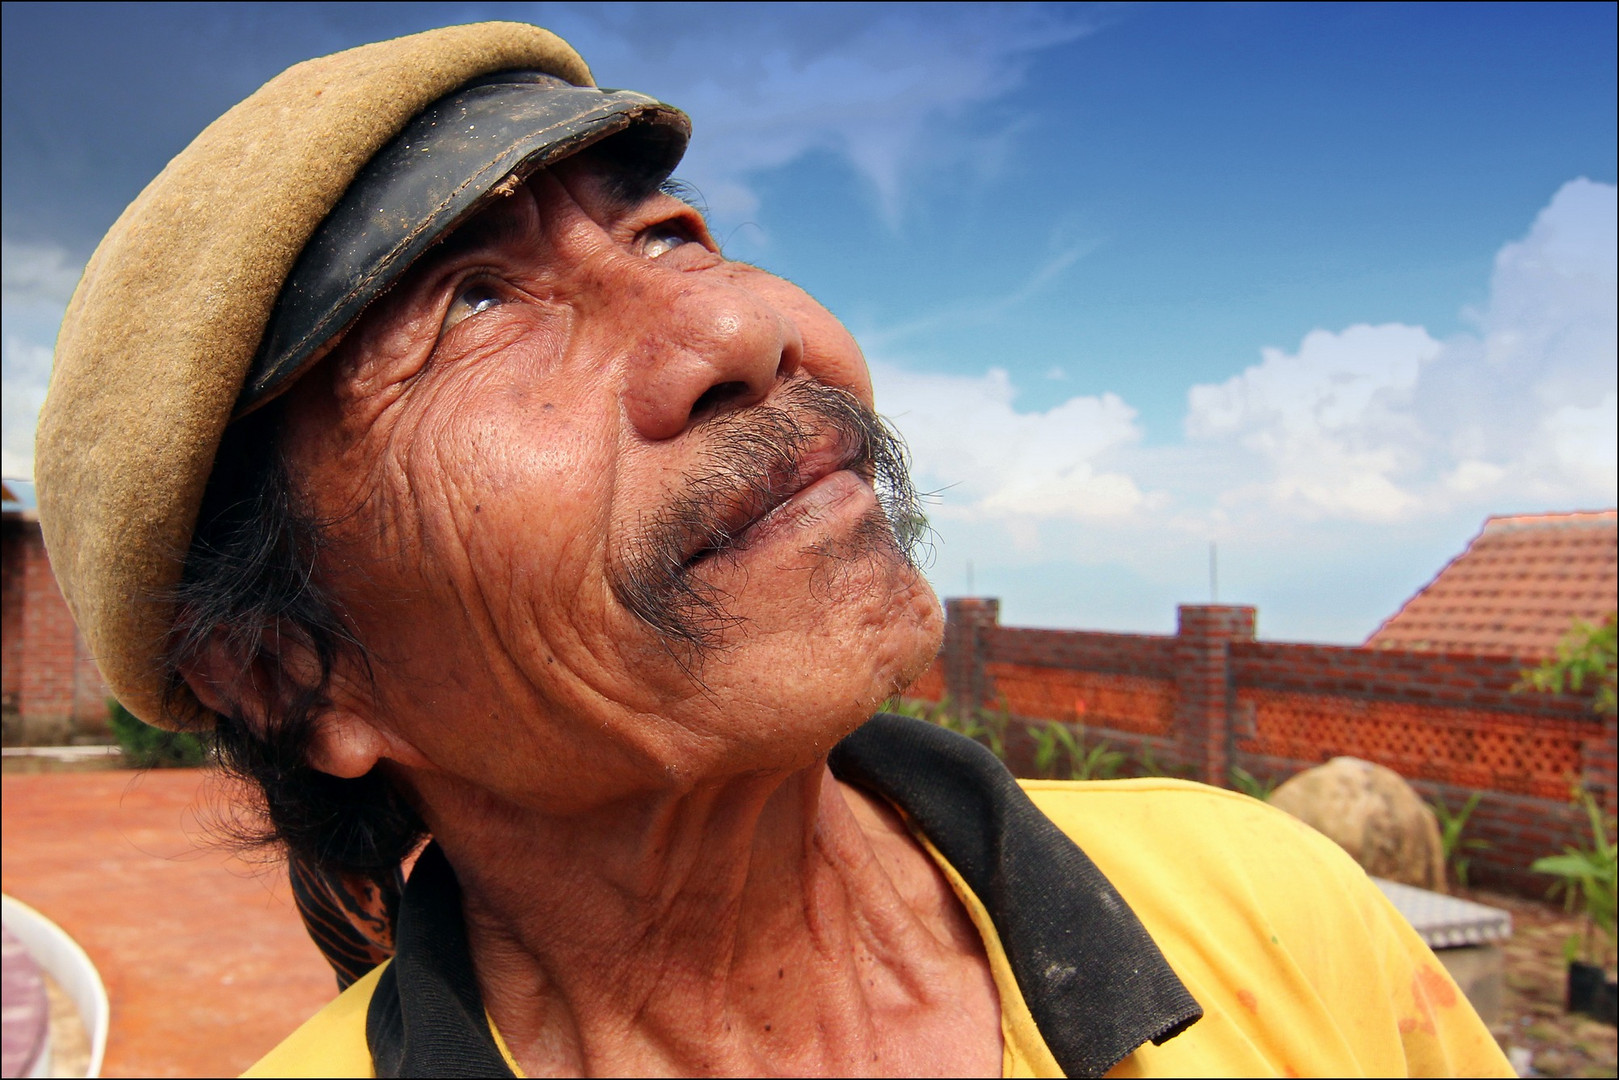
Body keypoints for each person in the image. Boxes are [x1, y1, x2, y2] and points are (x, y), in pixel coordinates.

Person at [35, 21, 1512, 1079]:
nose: (745, 333)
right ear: (294, 672)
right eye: (476, 306)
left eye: (671, 233)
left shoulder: (1268, 905)